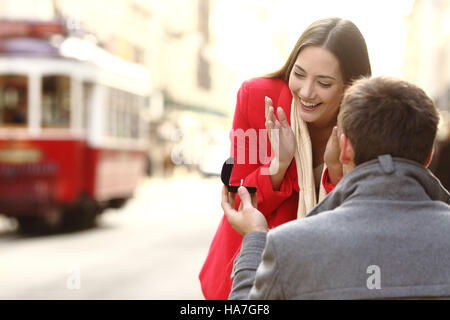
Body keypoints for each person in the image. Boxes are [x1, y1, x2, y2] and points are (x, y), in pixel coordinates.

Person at [223, 76, 450, 300]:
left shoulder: (288, 247)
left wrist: (254, 239)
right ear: (429, 154)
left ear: (344, 148)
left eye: (323, 82)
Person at [199, 17, 371, 299]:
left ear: (350, 86)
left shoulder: (362, 125)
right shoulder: (257, 99)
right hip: (250, 274)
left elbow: (357, 218)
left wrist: (336, 171)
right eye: (299, 74)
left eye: (324, 83)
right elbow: (239, 199)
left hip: (320, 279)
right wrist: (278, 166)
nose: (305, 92)